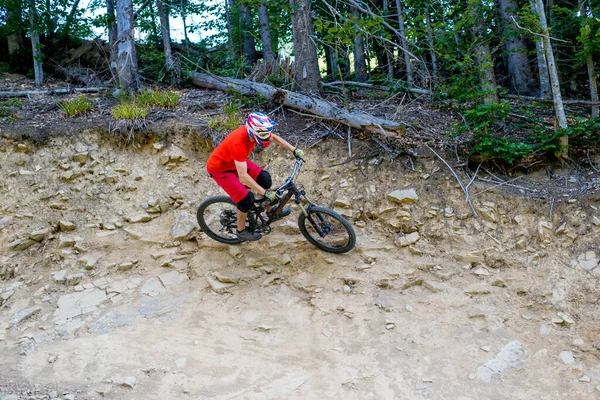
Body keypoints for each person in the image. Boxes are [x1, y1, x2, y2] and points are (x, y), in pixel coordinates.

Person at [206, 112, 304, 241]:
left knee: (265, 179)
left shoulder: (259, 132)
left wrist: (293, 150)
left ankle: (271, 211)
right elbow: (243, 177)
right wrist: (264, 192)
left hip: (235, 162)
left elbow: (273, 137)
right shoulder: (238, 143)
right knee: (246, 199)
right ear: (253, 132)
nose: (265, 137)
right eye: (263, 135)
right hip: (220, 169)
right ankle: (241, 231)